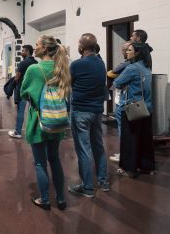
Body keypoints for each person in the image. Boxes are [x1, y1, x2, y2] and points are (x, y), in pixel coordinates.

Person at [20, 36, 70, 210]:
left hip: (39, 119)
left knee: (40, 162)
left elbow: (23, 92)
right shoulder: (60, 67)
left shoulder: (34, 69)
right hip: (56, 118)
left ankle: (45, 199)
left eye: (37, 44)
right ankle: (62, 198)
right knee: (55, 159)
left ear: (45, 49)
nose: (35, 48)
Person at [68, 33, 109, 198]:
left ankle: (87, 187)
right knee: (98, 146)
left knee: (84, 149)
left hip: (80, 112)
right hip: (97, 111)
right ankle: (103, 181)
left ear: (81, 46)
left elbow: (69, 84)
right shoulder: (101, 63)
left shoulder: (77, 64)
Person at [113, 42, 155, 178]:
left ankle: (128, 168)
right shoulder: (147, 66)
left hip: (133, 108)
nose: (127, 52)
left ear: (137, 53)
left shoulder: (131, 68)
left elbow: (117, 83)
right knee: (145, 139)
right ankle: (146, 167)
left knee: (129, 139)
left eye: (130, 50)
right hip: (147, 108)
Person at [107, 41, 132, 162]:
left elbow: (112, 74)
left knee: (123, 127)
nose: (124, 52)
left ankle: (124, 154)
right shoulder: (137, 65)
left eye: (126, 50)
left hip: (123, 99)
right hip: (127, 100)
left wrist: (115, 76)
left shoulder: (128, 65)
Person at [8, 45, 36, 139]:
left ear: (27, 51)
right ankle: (34, 131)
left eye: (23, 50)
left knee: (20, 111)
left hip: (22, 90)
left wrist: (12, 85)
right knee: (33, 111)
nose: (21, 52)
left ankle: (18, 132)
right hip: (33, 90)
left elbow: (17, 78)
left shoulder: (23, 63)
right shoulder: (36, 62)